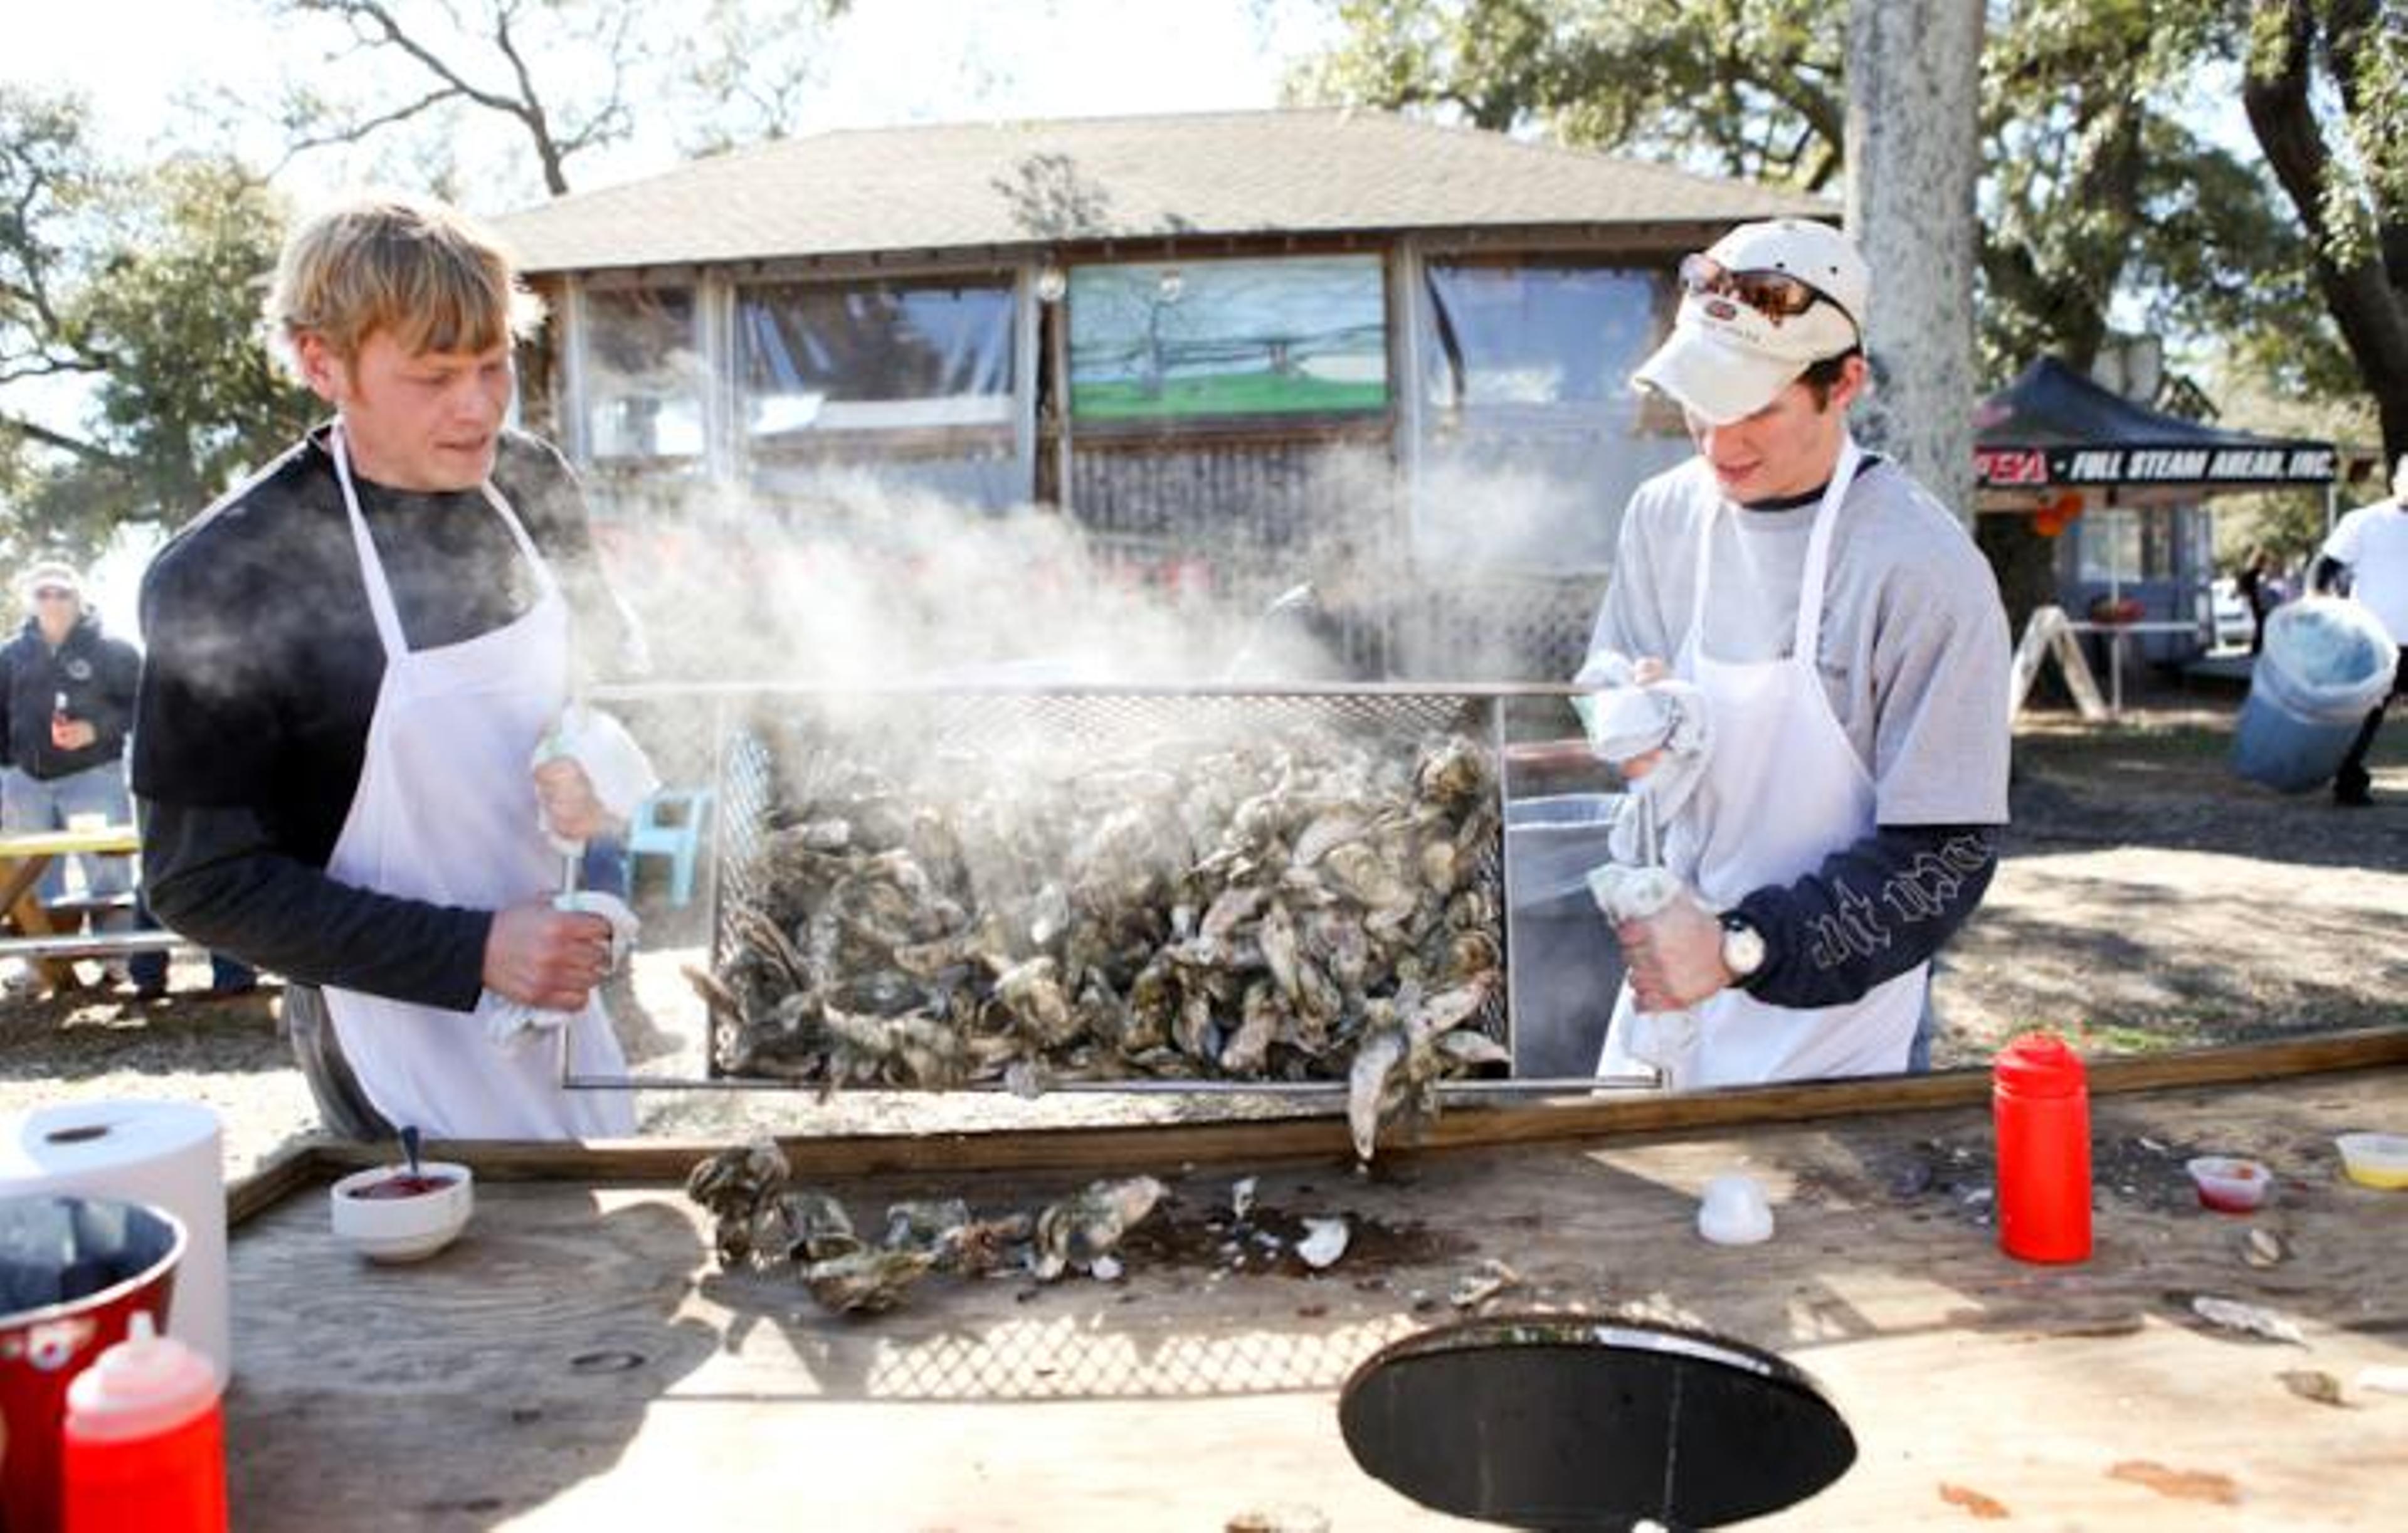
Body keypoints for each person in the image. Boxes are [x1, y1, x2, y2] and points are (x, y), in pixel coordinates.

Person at [131, 194, 647, 1139]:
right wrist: (475, 949)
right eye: (434, 375)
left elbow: (614, 683)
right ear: (323, 362)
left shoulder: (530, 484)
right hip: (384, 1042)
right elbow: (198, 881)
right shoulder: (226, 574)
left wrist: (599, 775)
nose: (478, 407)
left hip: (567, 998)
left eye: (494, 366)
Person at [1580, 218, 2012, 1090]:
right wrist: (1627, 714)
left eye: (1756, 409)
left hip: (1836, 1030)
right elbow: (1605, 675)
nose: (1719, 442)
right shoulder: (1663, 516)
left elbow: (1945, 858)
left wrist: (1743, 947)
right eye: (1703, 401)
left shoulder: (1920, 568)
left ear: (1843, 383)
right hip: (1664, 993)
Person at [0, 561, 144, 957]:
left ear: (80, 599)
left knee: (108, 871)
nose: (53, 601)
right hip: (25, 784)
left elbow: (142, 709)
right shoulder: (10, 655)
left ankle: (119, 959)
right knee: (33, 878)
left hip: (95, 776)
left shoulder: (114, 649)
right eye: (43, 593)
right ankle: (47, 962)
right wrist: (7, 772)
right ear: (29, 601)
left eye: (63, 593)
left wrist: (95, 730)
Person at [2313, 454, 2408, 807]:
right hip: (2373, 640)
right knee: (2364, 717)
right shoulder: (2364, 521)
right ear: (2397, 480)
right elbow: (2324, 569)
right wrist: (2320, 610)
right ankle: (2348, 782)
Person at [2237, 545, 2278, 655]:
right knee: (2262, 625)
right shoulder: (2258, 574)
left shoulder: (2250, 573)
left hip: (2254, 602)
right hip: (2260, 602)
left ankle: (2258, 647)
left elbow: (2242, 589)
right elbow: (2262, 589)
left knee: (2260, 625)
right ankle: (2258, 648)